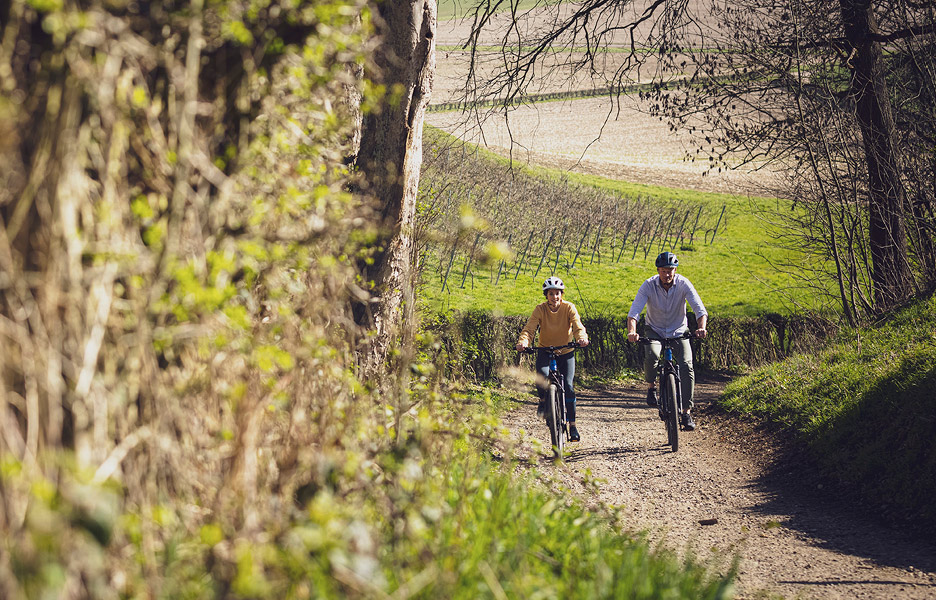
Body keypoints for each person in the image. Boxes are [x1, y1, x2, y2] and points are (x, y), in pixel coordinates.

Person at [626, 251, 708, 431]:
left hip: (678, 331)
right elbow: (634, 313)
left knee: (687, 365)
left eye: (670, 270)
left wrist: (701, 327)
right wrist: (632, 331)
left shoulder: (684, 283)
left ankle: (686, 412)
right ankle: (651, 387)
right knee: (653, 355)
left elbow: (700, 310)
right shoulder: (648, 285)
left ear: (675, 270)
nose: (667, 274)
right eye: (664, 270)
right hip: (654, 330)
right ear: (658, 270)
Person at [515, 276, 590, 442]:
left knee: (569, 386)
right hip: (545, 351)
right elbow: (529, 329)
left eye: (557, 293)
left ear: (561, 294)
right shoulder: (540, 309)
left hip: (566, 351)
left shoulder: (569, 307)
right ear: (546, 295)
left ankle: (572, 425)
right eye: (551, 294)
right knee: (541, 378)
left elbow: (577, 326)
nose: (554, 297)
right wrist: (523, 342)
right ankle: (543, 400)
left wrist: (581, 338)